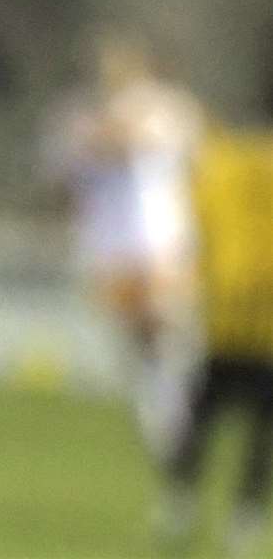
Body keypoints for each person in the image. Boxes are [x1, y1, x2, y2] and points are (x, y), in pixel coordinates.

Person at [45, 28, 203, 463]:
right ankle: (163, 422)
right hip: (109, 247)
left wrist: (106, 135)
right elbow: (62, 173)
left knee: (168, 331)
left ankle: (179, 418)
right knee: (133, 340)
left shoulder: (165, 107)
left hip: (160, 241)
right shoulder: (78, 113)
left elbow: (159, 148)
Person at [155, 121, 273, 556]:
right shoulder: (227, 167)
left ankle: (219, 509)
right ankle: (202, 505)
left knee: (229, 425)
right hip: (238, 328)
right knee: (212, 421)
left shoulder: (226, 166)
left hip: (245, 327)